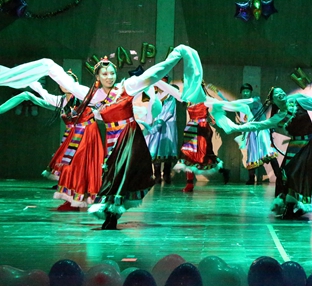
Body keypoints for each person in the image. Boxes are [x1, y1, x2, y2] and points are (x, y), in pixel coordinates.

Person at [0, 44, 207, 229]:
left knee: (117, 177)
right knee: (112, 177)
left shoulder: (127, 87)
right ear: (98, 77)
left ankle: (110, 217)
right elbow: (66, 83)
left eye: (112, 73)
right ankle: (111, 214)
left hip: (129, 138)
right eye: (105, 74)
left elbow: (154, 74)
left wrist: (176, 55)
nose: (109, 76)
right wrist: (48, 66)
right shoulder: (92, 96)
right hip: (111, 141)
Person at [212, 87, 312, 219]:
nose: (281, 94)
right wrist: (236, 128)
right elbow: (257, 125)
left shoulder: (298, 101)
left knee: (297, 175)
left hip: (308, 145)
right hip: (294, 146)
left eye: (281, 91)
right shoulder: (278, 117)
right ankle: (288, 206)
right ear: (273, 101)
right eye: (277, 94)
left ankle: (294, 207)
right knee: (285, 175)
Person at [0, 74, 105, 211]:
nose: (64, 84)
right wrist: (29, 79)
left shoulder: (84, 97)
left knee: (81, 167)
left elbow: (100, 109)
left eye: (67, 81)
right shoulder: (60, 101)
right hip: (73, 137)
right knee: (68, 167)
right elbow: (42, 92)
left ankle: (86, 198)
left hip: (88, 135)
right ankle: (72, 200)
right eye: (61, 82)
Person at [174, 81, 232, 192]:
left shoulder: (206, 100)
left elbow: (220, 104)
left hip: (202, 129)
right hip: (191, 129)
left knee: (204, 156)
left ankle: (223, 171)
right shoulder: (189, 99)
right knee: (187, 154)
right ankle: (189, 184)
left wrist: (216, 93)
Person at [237, 83, 280, 186]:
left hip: (261, 131)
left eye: (247, 91)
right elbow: (244, 120)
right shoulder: (241, 106)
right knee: (252, 155)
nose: (245, 93)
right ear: (241, 93)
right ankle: (251, 178)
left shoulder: (255, 101)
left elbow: (247, 107)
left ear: (251, 92)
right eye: (244, 92)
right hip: (250, 133)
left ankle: (279, 176)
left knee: (269, 152)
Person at [145, 78, 179, 185]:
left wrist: (159, 123)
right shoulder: (154, 96)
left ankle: (167, 174)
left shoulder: (170, 97)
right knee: (155, 148)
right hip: (156, 124)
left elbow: (169, 112)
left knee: (167, 148)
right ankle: (157, 175)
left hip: (167, 126)